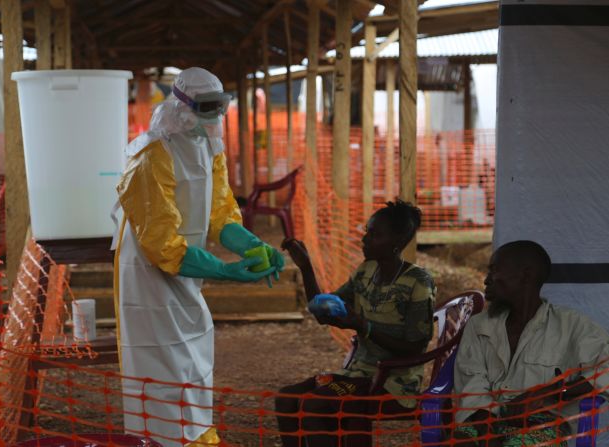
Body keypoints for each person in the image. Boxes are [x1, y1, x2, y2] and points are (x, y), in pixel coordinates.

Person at [113, 67, 284, 446]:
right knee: (161, 368)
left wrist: (255, 247)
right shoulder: (150, 156)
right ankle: (160, 440)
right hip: (149, 277)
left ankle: (195, 435)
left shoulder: (209, 147)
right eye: (208, 108)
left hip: (188, 271)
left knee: (194, 360)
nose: (216, 116)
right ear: (181, 106)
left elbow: (222, 215)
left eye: (220, 107)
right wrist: (227, 271)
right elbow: (161, 244)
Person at [276, 200, 436, 447]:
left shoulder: (418, 282)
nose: (365, 239)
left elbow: (414, 349)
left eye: (375, 234)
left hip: (394, 381)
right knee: (286, 398)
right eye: (367, 232)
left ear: (397, 241)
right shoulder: (366, 271)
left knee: (315, 404)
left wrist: (363, 326)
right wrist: (306, 268)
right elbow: (322, 313)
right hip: (358, 373)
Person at [453, 240, 609, 447]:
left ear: (526, 276)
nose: (486, 280)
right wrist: (487, 425)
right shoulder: (479, 325)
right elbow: (472, 379)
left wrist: (549, 392)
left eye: (495, 271)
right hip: (483, 418)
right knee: (460, 443)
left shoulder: (571, 325)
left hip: (545, 424)